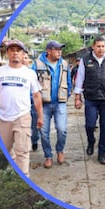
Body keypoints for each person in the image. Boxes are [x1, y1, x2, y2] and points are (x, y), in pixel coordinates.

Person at [0, 39, 43, 175]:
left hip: (22, 117)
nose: (15, 53)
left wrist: (40, 116)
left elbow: (36, 95)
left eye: (18, 51)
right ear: (7, 53)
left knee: (23, 151)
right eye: (12, 50)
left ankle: (24, 176)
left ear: (23, 54)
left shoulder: (29, 73)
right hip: (3, 117)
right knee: (4, 149)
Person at [74, 36, 105, 165]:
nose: (101, 49)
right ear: (93, 46)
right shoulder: (85, 60)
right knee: (89, 125)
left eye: (103, 46)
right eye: (98, 46)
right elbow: (80, 78)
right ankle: (91, 141)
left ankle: (101, 153)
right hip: (91, 98)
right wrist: (77, 97)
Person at [32, 40, 72, 168]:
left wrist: (67, 94)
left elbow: (69, 82)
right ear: (48, 51)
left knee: (62, 129)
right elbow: (31, 85)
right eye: (56, 49)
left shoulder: (64, 64)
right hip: (43, 104)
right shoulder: (37, 65)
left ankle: (60, 150)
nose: (59, 51)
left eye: (61, 49)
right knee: (44, 132)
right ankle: (48, 156)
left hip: (60, 103)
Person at [24, 53, 40, 152]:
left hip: (33, 100)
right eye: (23, 57)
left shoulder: (32, 72)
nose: (23, 59)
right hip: (22, 102)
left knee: (34, 124)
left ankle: (34, 140)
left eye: (26, 58)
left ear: (29, 61)